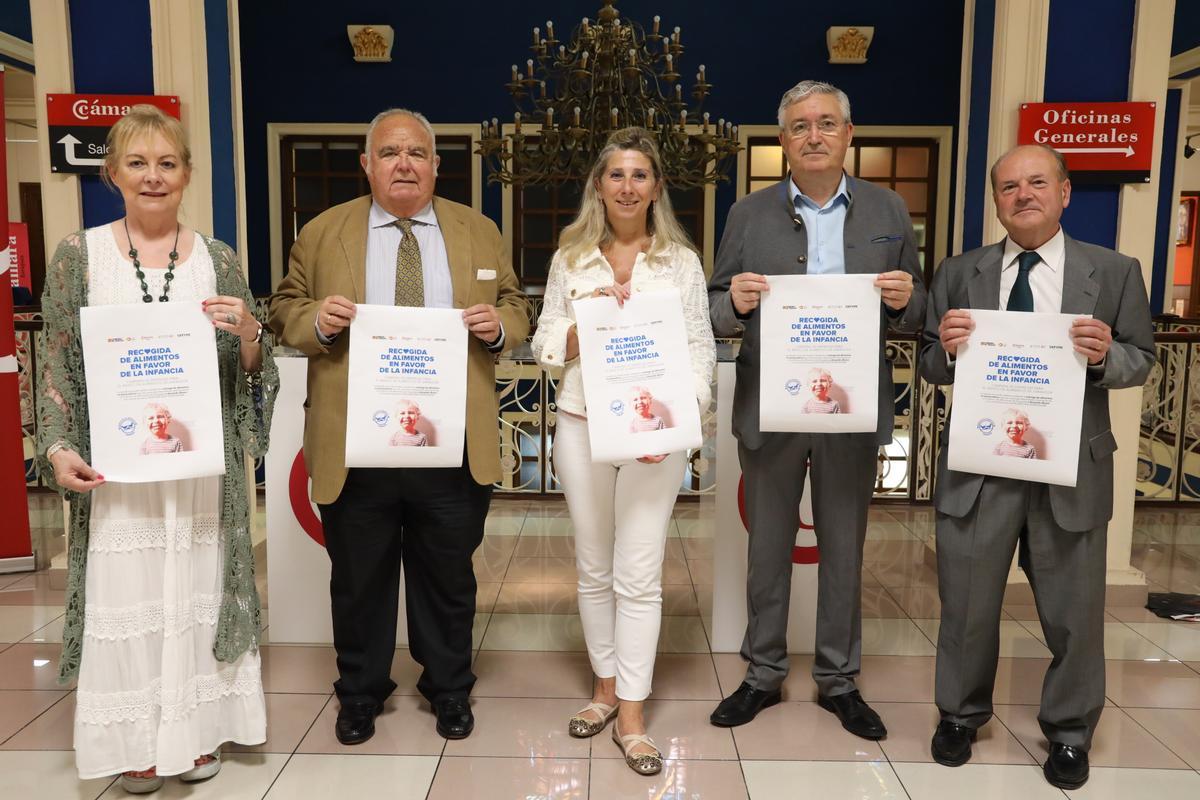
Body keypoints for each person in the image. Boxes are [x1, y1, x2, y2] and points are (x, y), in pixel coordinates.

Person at [268, 108, 530, 744]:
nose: (404, 164)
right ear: (368, 165)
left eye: (417, 153)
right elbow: (282, 308)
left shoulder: (480, 230)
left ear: (438, 166)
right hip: (358, 441)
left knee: (448, 575)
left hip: (452, 440)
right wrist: (320, 322)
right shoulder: (325, 232)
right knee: (360, 579)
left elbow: (517, 305)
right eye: (390, 153)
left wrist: (501, 328)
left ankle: (448, 688)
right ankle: (360, 691)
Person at [36, 104, 277, 794]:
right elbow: (55, 365)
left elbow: (252, 369)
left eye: (167, 163)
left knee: (195, 597)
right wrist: (57, 448)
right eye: (138, 163)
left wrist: (253, 333)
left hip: (197, 475)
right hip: (120, 477)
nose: (153, 176)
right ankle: (135, 745)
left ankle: (195, 734)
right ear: (112, 172)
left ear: (187, 175)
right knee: (131, 599)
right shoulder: (78, 257)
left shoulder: (218, 259)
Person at [920, 144, 1154, 789]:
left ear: (1064, 192)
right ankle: (960, 717)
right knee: (966, 606)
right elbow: (929, 363)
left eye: (1036, 183)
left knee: (1074, 612)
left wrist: (1108, 356)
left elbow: (1141, 356)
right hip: (979, 466)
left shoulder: (1113, 271)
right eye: (1007, 187)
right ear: (995, 200)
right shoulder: (960, 271)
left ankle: (1070, 732)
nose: (1022, 195)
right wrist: (944, 349)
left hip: (1070, 469)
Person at [708, 81, 925, 737]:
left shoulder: (889, 209)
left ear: (848, 135)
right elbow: (714, 308)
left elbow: (919, 313)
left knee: (844, 550)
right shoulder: (748, 213)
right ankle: (761, 675)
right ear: (783, 141)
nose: (813, 136)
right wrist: (737, 303)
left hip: (851, 412)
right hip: (771, 409)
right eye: (799, 126)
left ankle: (838, 681)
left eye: (826, 123)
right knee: (768, 550)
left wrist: (903, 299)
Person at [532, 127, 715, 775]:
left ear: (657, 187)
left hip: (652, 435)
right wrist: (583, 328)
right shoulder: (571, 257)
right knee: (592, 566)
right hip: (583, 425)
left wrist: (667, 424)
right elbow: (544, 343)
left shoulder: (681, 264)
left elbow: (700, 351)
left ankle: (631, 715)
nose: (628, 186)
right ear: (599, 186)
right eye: (617, 175)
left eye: (640, 175)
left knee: (638, 570)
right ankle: (603, 689)